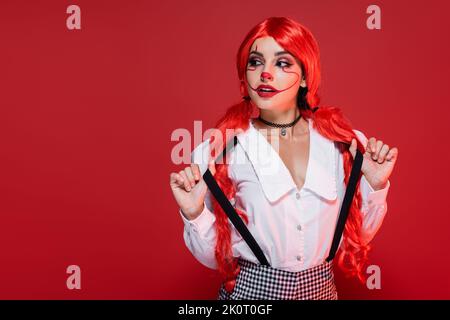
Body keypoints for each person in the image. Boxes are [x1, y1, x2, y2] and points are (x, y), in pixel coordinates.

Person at [169, 16, 398, 300]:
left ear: (305, 76)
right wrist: (195, 214)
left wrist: (375, 187)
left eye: (282, 63)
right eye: (255, 62)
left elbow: (356, 237)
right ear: (245, 75)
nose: (265, 73)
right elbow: (213, 257)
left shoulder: (343, 144)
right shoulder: (220, 150)